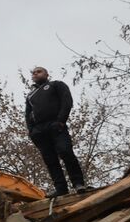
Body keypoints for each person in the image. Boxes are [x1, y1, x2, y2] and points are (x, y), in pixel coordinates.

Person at [25, 66, 86, 197]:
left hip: (56, 125)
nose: (35, 74)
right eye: (33, 73)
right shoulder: (30, 95)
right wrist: (32, 132)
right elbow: (27, 114)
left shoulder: (56, 85)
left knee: (65, 151)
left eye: (39, 71)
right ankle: (61, 189)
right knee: (50, 160)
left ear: (46, 74)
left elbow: (67, 101)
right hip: (39, 131)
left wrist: (61, 121)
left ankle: (78, 183)